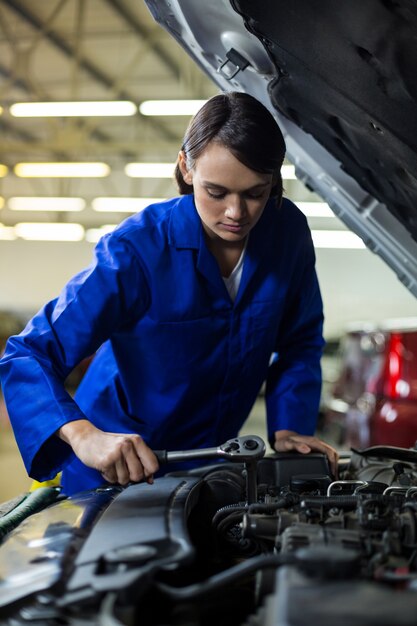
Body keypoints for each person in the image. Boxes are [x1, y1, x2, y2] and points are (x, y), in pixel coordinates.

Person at [0, 92, 338, 496]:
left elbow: (299, 340)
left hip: (214, 461)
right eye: (217, 192)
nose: (236, 213)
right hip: (114, 468)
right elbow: (28, 353)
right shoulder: (136, 250)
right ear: (187, 168)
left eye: (254, 193)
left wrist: (288, 426)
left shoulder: (288, 235)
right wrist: (85, 436)